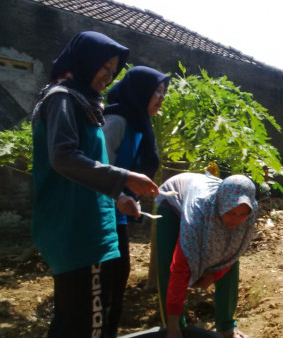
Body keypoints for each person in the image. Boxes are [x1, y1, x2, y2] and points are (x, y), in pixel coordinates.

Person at [31, 31, 159, 337]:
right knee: (88, 325)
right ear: (86, 61)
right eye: (105, 67)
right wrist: (124, 178)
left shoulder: (81, 102)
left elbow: (89, 165)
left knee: (73, 321)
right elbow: (64, 157)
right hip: (79, 232)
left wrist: (117, 196)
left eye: (113, 71)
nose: (108, 76)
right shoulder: (62, 98)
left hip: (89, 229)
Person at [102, 65, 170, 330]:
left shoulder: (139, 123)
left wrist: (132, 199)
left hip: (115, 215)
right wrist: (120, 196)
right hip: (98, 215)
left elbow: (127, 173)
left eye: (164, 92)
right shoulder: (117, 121)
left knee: (118, 280)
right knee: (106, 288)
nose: (162, 98)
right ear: (140, 92)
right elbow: (97, 169)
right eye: (156, 91)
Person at [155, 173, 257, 338]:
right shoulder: (196, 219)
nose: (236, 220)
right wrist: (173, 326)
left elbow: (232, 253)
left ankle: (227, 326)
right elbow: (180, 267)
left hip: (209, 198)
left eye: (242, 214)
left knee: (232, 264)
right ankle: (174, 326)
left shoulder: (248, 212)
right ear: (220, 205)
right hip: (172, 201)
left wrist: (214, 275)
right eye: (231, 213)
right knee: (169, 264)